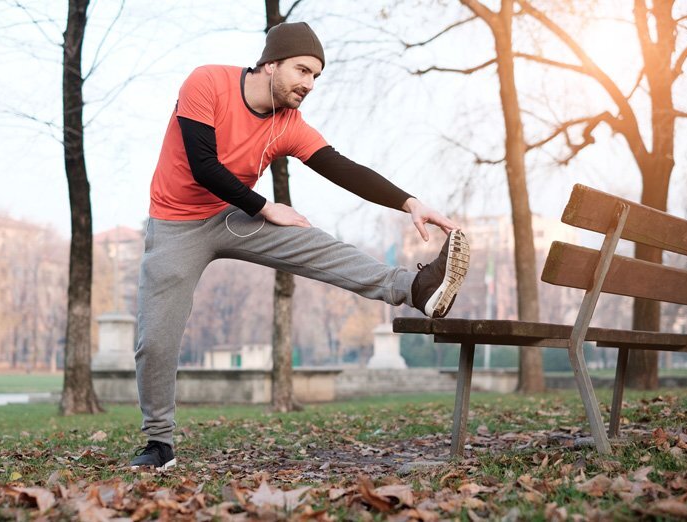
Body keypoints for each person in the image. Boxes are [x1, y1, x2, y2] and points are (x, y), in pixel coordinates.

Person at [131, 22, 469, 469]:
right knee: (155, 340)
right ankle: (159, 443)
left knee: (313, 243)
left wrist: (408, 202)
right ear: (271, 63)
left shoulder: (288, 124)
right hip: (176, 223)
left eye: (316, 76)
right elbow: (202, 164)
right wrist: (265, 205)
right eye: (302, 70)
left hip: (233, 217)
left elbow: (341, 167)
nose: (309, 84)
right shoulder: (207, 82)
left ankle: (417, 288)